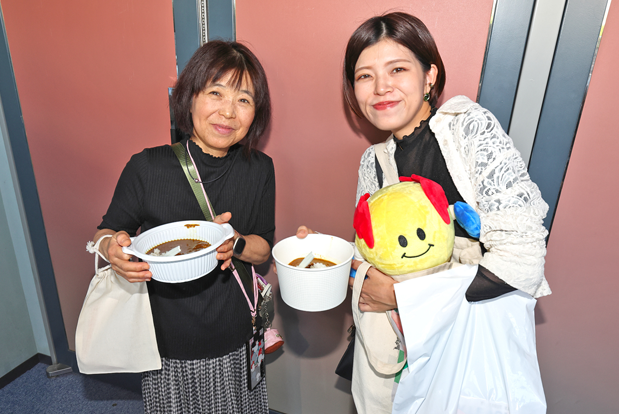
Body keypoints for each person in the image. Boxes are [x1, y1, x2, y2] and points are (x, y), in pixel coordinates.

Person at [296, 11, 550, 413]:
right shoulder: (373, 162)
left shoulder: (467, 129)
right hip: (397, 354)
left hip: (465, 353)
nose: (381, 87)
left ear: (429, 75)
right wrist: (327, 257)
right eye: (365, 76)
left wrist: (401, 296)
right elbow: (373, 256)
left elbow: (522, 262)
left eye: (397, 69)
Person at [93, 40, 275, 413]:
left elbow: (263, 249)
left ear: (255, 112)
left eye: (243, 99)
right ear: (190, 98)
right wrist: (112, 249)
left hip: (237, 332)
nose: (228, 111)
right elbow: (106, 232)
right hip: (168, 342)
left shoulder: (260, 168)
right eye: (215, 93)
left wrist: (237, 242)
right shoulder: (148, 167)